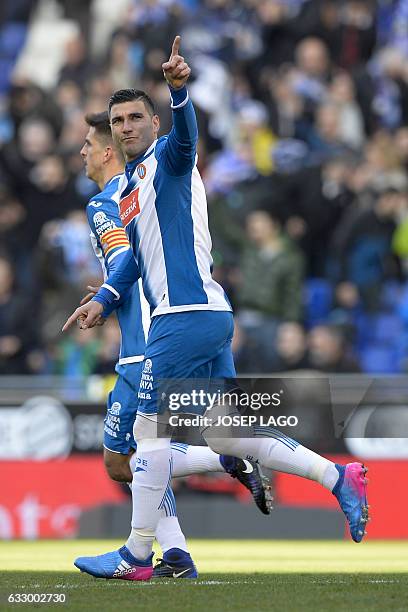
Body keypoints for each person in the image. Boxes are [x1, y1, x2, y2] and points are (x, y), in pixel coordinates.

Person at [64, 36, 370, 581]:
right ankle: (338, 477)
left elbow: (186, 141)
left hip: (181, 318)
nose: (127, 127)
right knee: (228, 435)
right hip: (203, 316)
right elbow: (133, 260)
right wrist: (105, 301)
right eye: (118, 121)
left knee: (149, 433)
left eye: (137, 117)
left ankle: (139, 554)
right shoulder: (131, 186)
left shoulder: (168, 158)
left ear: (152, 124)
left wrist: (180, 95)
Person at [75, 109, 272, 578]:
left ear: (106, 152)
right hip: (170, 327)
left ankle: (149, 551)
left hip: (147, 342)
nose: (80, 152)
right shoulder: (141, 190)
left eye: (87, 144)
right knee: (137, 452)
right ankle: (177, 553)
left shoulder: (106, 204)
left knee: (125, 457)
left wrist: (107, 293)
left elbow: (127, 259)